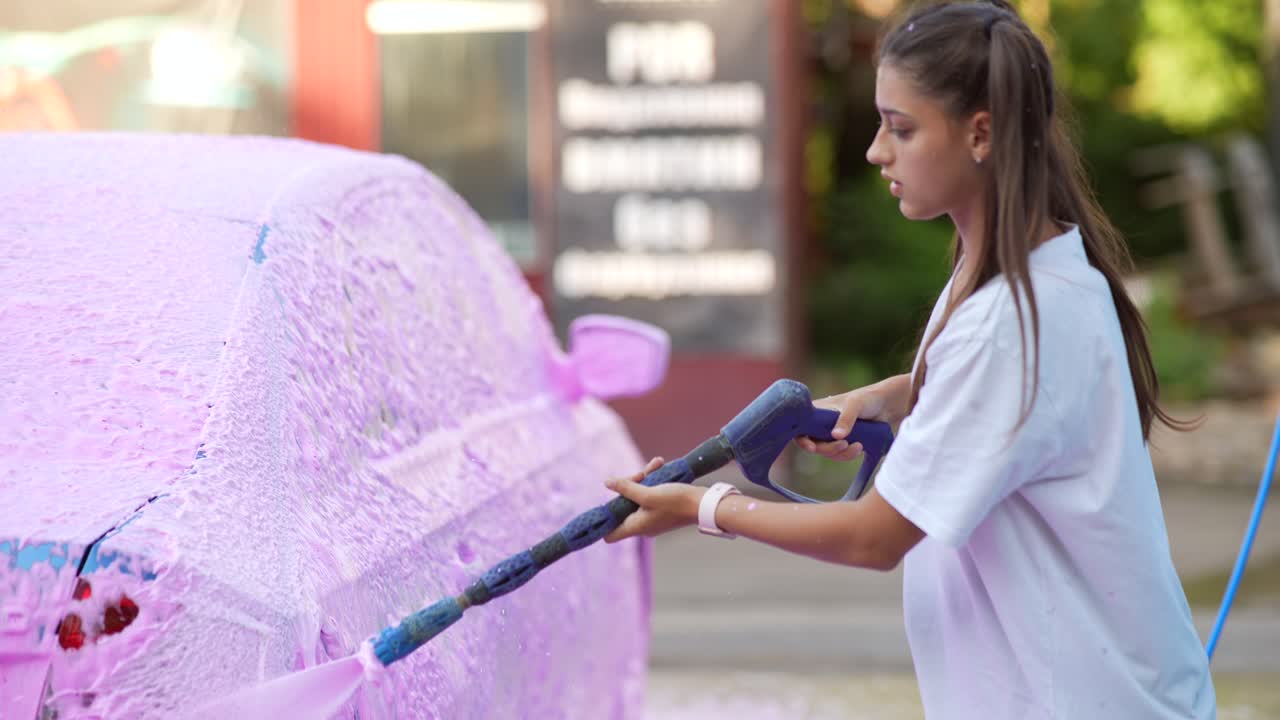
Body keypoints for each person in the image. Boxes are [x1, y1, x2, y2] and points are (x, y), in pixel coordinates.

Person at [601, 1, 1217, 717]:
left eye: (901, 128)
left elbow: (873, 537)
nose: (874, 151)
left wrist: (702, 505)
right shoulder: (1040, 272)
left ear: (979, 132)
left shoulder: (1007, 322)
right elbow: (1020, 400)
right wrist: (900, 393)